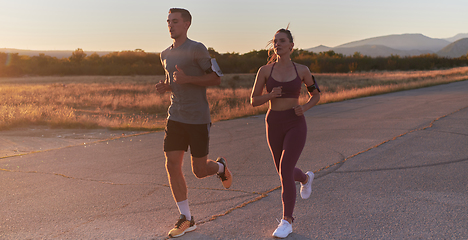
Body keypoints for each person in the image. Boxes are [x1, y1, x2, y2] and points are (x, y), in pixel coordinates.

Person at [156, 8, 232, 238]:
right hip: (175, 116)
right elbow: (175, 81)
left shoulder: (197, 49)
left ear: (187, 24)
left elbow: (217, 79)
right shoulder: (164, 54)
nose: (170, 25)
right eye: (168, 21)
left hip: (198, 119)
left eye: (175, 21)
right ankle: (186, 218)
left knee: (199, 171)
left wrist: (189, 79)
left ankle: (220, 167)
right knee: (171, 165)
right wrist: (167, 87)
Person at [250, 28, 321, 238]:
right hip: (273, 122)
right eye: (275, 41)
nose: (277, 44)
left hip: (295, 122)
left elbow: (316, 95)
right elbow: (253, 100)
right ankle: (306, 179)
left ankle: (287, 220)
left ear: (291, 46)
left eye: (282, 41)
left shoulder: (302, 70)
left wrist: (304, 108)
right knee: (283, 171)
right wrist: (270, 95)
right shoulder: (264, 70)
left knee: (285, 168)